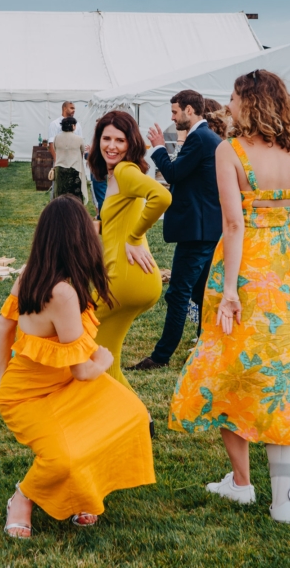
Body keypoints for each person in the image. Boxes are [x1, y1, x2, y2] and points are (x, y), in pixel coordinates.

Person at [168, 69, 290, 524]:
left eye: (232, 97)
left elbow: (233, 225)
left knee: (232, 368)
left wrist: (228, 290)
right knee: (277, 373)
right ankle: (254, 488)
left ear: (250, 102)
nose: (226, 105)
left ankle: (248, 484)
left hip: (243, 270)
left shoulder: (230, 151)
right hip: (284, 272)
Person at [0, 195, 155, 539]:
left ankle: (84, 493)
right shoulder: (62, 293)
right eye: (90, 223)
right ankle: (22, 498)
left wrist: (0, 374)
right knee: (61, 458)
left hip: (63, 384)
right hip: (31, 395)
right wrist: (104, 362)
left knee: (131, 415)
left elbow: (4, 325)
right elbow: (82, 370)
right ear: (78, 238)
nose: (97, 227)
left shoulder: (35, 272)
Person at [130, 90, 223, 372]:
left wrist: (158, 147)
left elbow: (172, 174)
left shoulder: (201, 138)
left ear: (190, 111)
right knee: (201, 293)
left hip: (198, 232)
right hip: (206, 229)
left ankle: (161, 356)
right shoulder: (203, 138)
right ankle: (208, 344)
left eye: (175, 112)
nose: (172, 117)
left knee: (179, 293)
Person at [88, 110, 171, 392]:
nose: (112, 146)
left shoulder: (125, 171)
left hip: (125, 279)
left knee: (79, 339)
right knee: (104, 358)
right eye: (106, 138)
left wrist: (135, 237)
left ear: (131, 143)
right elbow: (119, 221)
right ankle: (138, 420)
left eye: (120, 140)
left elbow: (162, 196)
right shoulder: (116, 175)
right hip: (131, 278)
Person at [53, 117, 88, 204]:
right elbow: (83, 151)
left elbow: (55, 148)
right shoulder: (79, 139)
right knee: (74, 196)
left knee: (61, 195)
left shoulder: (57, 137)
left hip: (60, 170)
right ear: (73, 126)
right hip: (74, 170)